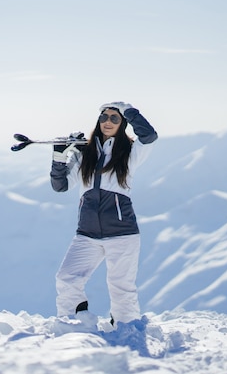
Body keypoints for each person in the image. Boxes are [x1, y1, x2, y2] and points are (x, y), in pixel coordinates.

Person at [50, 101, 158, 327]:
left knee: (121, 288)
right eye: (104, 118)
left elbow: (149, 135)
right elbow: (61, 186)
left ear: (123, 124)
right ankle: (74, 324)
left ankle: (126, 330)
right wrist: (60, 156)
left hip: (122, 234)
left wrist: (128, 109)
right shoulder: (84, 154)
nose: (107, 122)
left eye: (114, 118)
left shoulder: (130, 153)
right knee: (67, 278)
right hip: (87, 234)